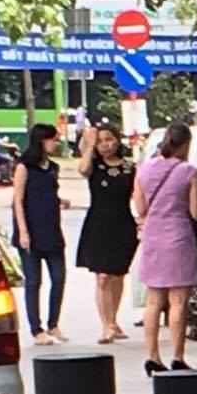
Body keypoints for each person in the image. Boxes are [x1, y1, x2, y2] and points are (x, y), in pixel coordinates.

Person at [133, 120, 197, 374]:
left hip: (152, 237)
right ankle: (177, 356)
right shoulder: (189, 172)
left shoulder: (143, 169)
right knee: (178, 301)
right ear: (185, 144)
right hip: (178, 236)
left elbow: (140, 208)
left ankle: (152, 356)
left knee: (153, 301)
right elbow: (196, 213)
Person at [75, 120, 138, 343]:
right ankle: (107, 325)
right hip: (98, 224)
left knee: (118, 274)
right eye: (101, 141)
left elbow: (139, 194)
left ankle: (114, 320)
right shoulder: (94, 165)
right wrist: (89, 144)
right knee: (102, 276)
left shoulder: (130, 167)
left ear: (117, 140)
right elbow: (83, 169)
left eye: (109, 139)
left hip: (123, 223)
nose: (105, 145)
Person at [13, 123, 69, 345]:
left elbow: (48, 193)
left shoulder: (53, 167)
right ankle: (36, 329)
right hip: (31, 230)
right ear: (42, 140)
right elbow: (18, 200)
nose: (56, 143)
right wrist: (23, 231)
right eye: (53, 139)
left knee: (59, 278)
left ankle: (53, 323)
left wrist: (60, 201)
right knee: (34, 281)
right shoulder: (24, 167)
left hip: (52, 230)